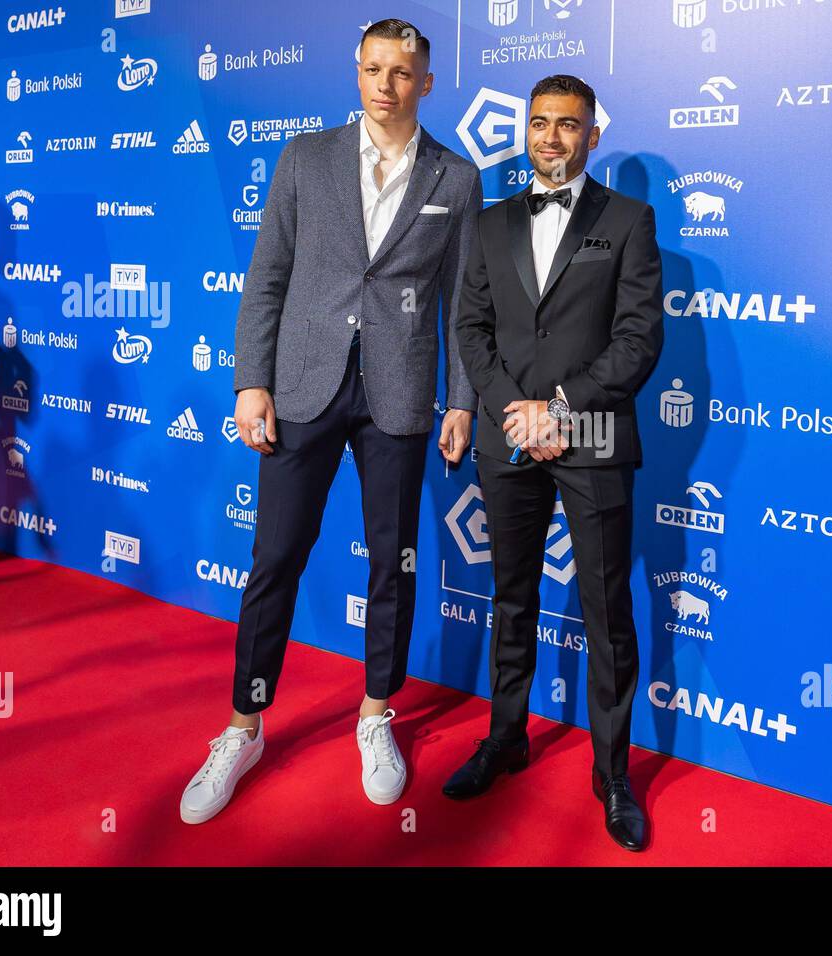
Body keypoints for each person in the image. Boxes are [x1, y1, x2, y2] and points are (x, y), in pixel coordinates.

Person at [180, 18, 482, 823]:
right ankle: (244, 726)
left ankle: (375, 715)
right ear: (358, 73)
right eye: (374, 69)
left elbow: (462, 304)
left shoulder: (456, 177)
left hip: (400, 393)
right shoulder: (305, 157)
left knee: (394, 564)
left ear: (427, 80)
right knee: (274, 557)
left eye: (403, 71)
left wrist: (461, 400)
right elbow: (267, 277)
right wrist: (252, 383)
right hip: (303, 385)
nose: (387, 84)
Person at [444, 74, 664, 851]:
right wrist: (515, 409)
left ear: (592, 135)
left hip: (592, 432)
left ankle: (613, 776)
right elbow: (471, 327)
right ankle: (506, 738)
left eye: (568, 126)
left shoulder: (630, 221)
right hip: (509, 430)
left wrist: (559, 408)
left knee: (607, 612)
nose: (550, 138)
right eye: (540, 123)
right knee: (511, 596)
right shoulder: (493, 221)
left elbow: (638, 342)